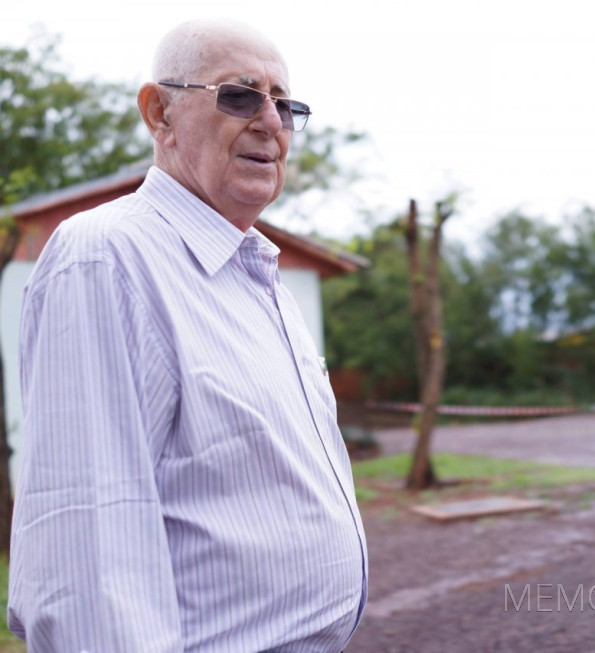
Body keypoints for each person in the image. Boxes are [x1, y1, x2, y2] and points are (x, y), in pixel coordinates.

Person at [7, 19, 367, 652]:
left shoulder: (257, 273)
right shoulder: (107, 258)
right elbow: (87, 562)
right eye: (239, 95)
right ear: (160, 112)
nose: (270, 121)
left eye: (286, 105)